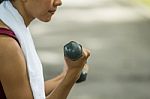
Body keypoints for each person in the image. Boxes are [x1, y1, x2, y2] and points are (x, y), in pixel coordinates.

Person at [0, 0, 90, 99]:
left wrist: (63, 77)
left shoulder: (9, 23)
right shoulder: (6, 44)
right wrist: (72, 74)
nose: (59, 2)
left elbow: (26, 90)